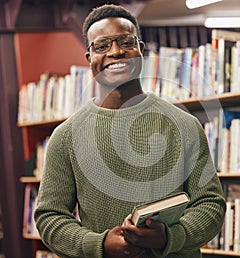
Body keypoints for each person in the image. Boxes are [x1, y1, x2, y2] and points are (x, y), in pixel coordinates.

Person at [34, 4, 226, 258]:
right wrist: (99, 245)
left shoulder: (184, 125)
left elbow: (210, 205)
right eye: (102, 46)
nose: (116, 52)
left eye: (125, 42)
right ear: (89, 58)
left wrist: (169, 237)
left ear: (140, 50)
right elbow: (50, 217)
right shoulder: (66, 136)